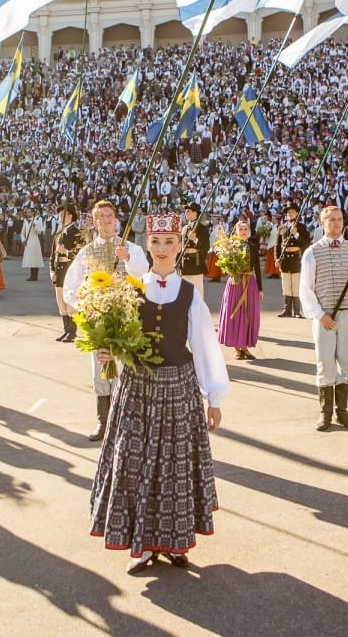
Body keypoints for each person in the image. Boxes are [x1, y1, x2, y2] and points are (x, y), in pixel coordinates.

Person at [89, 211, 230, 574]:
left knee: (175, 468)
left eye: (169, 242)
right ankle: (143, 546)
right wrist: (107, 350)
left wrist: (213, 398)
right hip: (137, 387)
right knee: (135, 464)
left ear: (179, 246)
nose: (162, 248)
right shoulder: (129, 287)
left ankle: (175, 541)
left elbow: (203, 345)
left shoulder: (190, 294)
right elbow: (115, 336)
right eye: (156, 241)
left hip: (178, 387)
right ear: (147, 244)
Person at [63, 200, 149, 442]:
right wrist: (86, 308)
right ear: (94, 221)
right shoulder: (86, 252)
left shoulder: (131, 247)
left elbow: (144, 273)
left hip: (126, 318)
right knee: (101, 370)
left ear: (116, 219)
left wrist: (128, 258)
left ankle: (126, 422)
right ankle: (103, 421)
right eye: (100, 216)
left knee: (126, 369)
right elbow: (70, 286)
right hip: (98, 320)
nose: (106, 220)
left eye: (109, 215)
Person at [298, 205, 348, 430]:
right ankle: (325, 412)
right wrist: (320, 315)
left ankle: (342, 412)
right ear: (322, 223)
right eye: (331, 220)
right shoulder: (312, 252)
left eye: (339, 219)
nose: (336, 223)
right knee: (325, 363)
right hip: (325, 316)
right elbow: (306, 290)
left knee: (346, 362)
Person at [217, 219, 264, 360]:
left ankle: (245, 347)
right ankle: (237, 348)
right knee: (235, 313)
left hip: (250, 282)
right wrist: (230, 270)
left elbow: (257, 268)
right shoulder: (230, 247)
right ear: (236, 231)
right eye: (240, 229)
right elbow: (224, 268)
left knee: (248, 313)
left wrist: (260, 288)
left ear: (249, 231)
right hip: (235, 283)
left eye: (245, 229)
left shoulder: (253, 247)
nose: (243, 232)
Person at [50, 203, 83, 342]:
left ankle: (72, 332)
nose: (60, 217)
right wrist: (52, 270)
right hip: (59, 272)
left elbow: (81, 254)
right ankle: (66, 329)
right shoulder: (58, 234)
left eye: (63, 215)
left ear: (70, 215)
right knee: (61, 302)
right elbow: (52, 255)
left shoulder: (77, 233)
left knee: (69, 301)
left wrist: (67, 252)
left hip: (71, 271)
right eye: (59, 215)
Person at [276, 204, 310, 317]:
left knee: (296, 286)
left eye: (292, 212)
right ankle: (287, 309)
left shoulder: (301, 227)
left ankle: (296, 310)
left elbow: (305, 243)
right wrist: (277, 258)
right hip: (285, 260)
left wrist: (296, 234)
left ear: (296, 214)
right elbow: (278, 245)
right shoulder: (282, 228)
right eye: (288, 212)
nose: (290, 214)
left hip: (296, 259)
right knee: (286, 286)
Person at [178, 201, 210, 297]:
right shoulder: (184, 228)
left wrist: (195, 240)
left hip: (196, 265)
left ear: (195, 213)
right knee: (184, 295)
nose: (185, 213)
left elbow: (206, 247)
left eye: (188, 211)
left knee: (197, 294)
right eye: (185, 211)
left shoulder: (202, 229)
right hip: (184, 266)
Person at [20, 206, 45, 281]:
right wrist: (23, 240)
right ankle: (32, 275)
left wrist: (35, 226)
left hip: (34, 242)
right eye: (27, 212)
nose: (28, 214)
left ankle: (35, 276)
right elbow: (22, 233)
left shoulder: (36, 221)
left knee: (35, 259)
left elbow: (39, 232)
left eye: (29, 212)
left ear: (33, 213)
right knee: (30, 259)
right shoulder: (25, 222)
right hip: (28, 242)